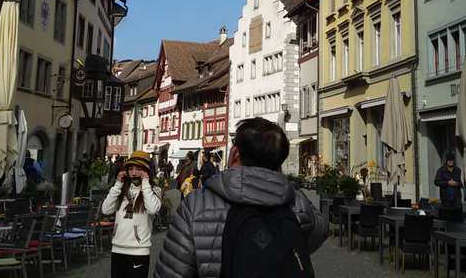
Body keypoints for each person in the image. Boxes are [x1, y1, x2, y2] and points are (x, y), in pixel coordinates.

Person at [154, 117, 327, 278]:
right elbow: (320, 230)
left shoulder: (197, 204)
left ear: (235, 153)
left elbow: (172, 271)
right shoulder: (295, 201)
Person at [102, 150, 163, 278]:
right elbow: (106, 210)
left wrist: (146, 183)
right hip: (117, 249)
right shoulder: (121, 189)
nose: (134, 173)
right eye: (131, 169)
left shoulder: (153, 190)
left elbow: (152, 209)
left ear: (146, 170)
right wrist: (117, 184)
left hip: (139, 251)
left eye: (138, 169)